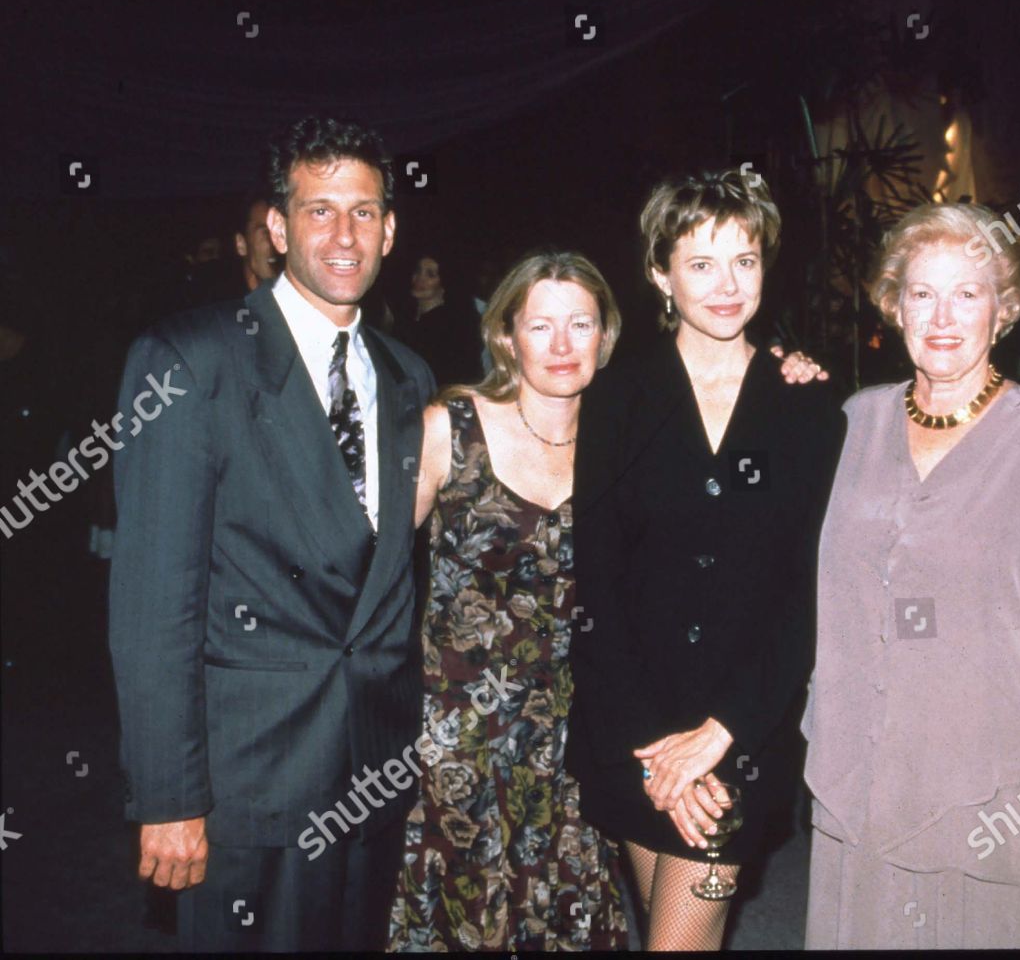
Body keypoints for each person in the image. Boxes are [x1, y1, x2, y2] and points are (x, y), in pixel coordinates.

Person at [108, 116, 436, 951]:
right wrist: (170, 798)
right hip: (246, 785)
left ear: (390, 230)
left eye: (364, 211)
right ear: (277, 228)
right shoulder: (191, 359)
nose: (343, 234)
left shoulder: (407, 378)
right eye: (318, 210)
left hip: (373, 772)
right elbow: (154, 603)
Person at [801, 203, 1020, 949]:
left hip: (993, 792)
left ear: (1003, 310)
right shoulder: (849, 423)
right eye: (921, 293)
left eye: (968, 293)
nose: (943, 316)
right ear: (894, 306)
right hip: (858, 783)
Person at [566, 168, 844, 950]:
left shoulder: (807, 404)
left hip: (742, 742)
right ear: (659, 273)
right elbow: (601, 586)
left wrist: (721, 735)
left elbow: (808, 591)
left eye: (745, 261)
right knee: (678, 929)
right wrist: (660, 754)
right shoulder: (616, 398)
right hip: (636, 737)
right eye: (700, 263)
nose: (727, 286)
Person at [387, 250, 631, 950]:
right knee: (466, 920)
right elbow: (362, 572)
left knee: (569, 911)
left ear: (604, 336)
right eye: (540, 325)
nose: (561, 345)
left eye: (580, 324)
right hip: (461, 738)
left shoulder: (628, 437)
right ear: (505, 336)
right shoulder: (450, 427)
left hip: (579, 732)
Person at [399, 250, 483, 387]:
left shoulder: (452, 327)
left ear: (445, 281)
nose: (420, 278)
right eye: (418, 270)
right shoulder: (405, 317)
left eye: (430, 275)